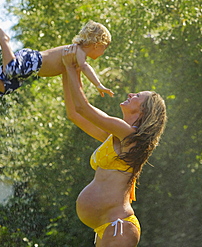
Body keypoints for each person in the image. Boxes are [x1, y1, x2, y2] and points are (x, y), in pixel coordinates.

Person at [61, 44, 167, 246]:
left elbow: (84, 108)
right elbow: (74, 113)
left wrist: (69, 68)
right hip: (107, 226)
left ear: (143, 111)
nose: (130, 94)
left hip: (119, 226)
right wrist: (68, 72)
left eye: (136, 96)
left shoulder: (129, 135)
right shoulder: (115, 136)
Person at [0, 21, 114, 97]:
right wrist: (98, 84)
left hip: (30, 70)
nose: (103, 52)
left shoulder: (75, 56)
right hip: (33, 60)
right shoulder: (78, 51)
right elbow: (85, 67)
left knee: (5, 87)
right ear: (96, 44)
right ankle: (3, 39)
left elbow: (76, 79)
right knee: (11, 69)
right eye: (105, 48)